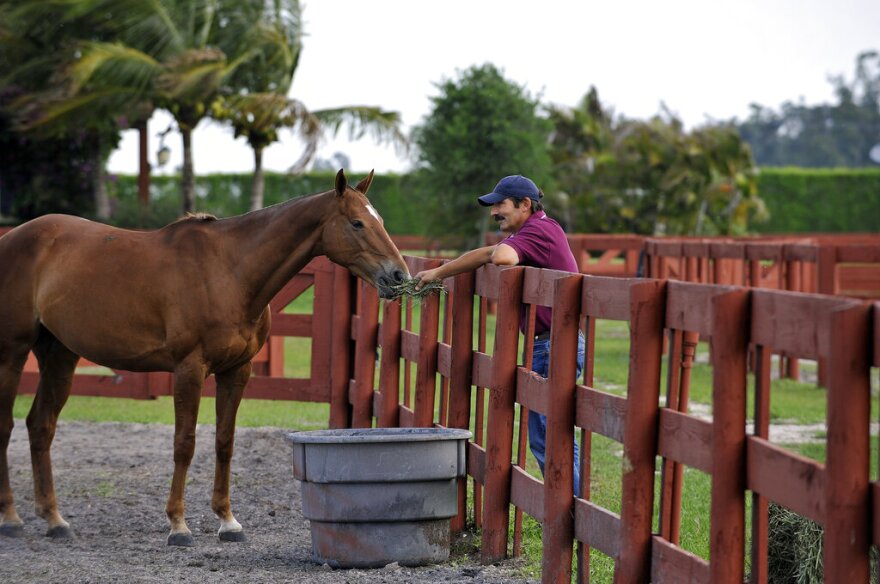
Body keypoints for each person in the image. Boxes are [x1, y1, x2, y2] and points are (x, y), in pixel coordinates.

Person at [413, 174, 585, 494]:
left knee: (547, 435)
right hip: (552, 342)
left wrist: (497, 251)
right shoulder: (534, 229)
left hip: (554, 344)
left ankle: (569, 510)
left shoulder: (539, 230)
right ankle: (570, 506)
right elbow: (484, 254)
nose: (493, 213)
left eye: (500, 205)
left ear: (525, 204)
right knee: (551, 433)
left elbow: (502, 257)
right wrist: (437, 272)